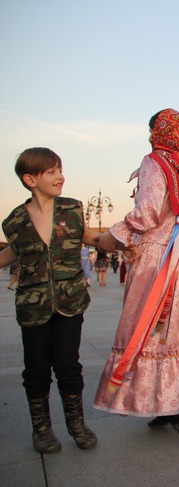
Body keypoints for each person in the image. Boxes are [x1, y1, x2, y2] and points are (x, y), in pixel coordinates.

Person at [93, 109, 179, 430]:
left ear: (159, 132)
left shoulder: (154, 162)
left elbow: (147, 214)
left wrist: (112, 237)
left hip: (162, 261)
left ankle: (164, 405)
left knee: (157, 333)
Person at [0, 147, 108, 453]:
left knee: (68, 365)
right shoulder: (16, 220)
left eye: (60, 170)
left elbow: (93, 237)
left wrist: (120, 243)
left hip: (70, 302)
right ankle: (42, 430)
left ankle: (76, 424)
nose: (60, 177)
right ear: (30, 179)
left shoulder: (72, 210)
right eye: (52, 172)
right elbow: (14, 253)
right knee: (35, 369)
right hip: (33, 305)